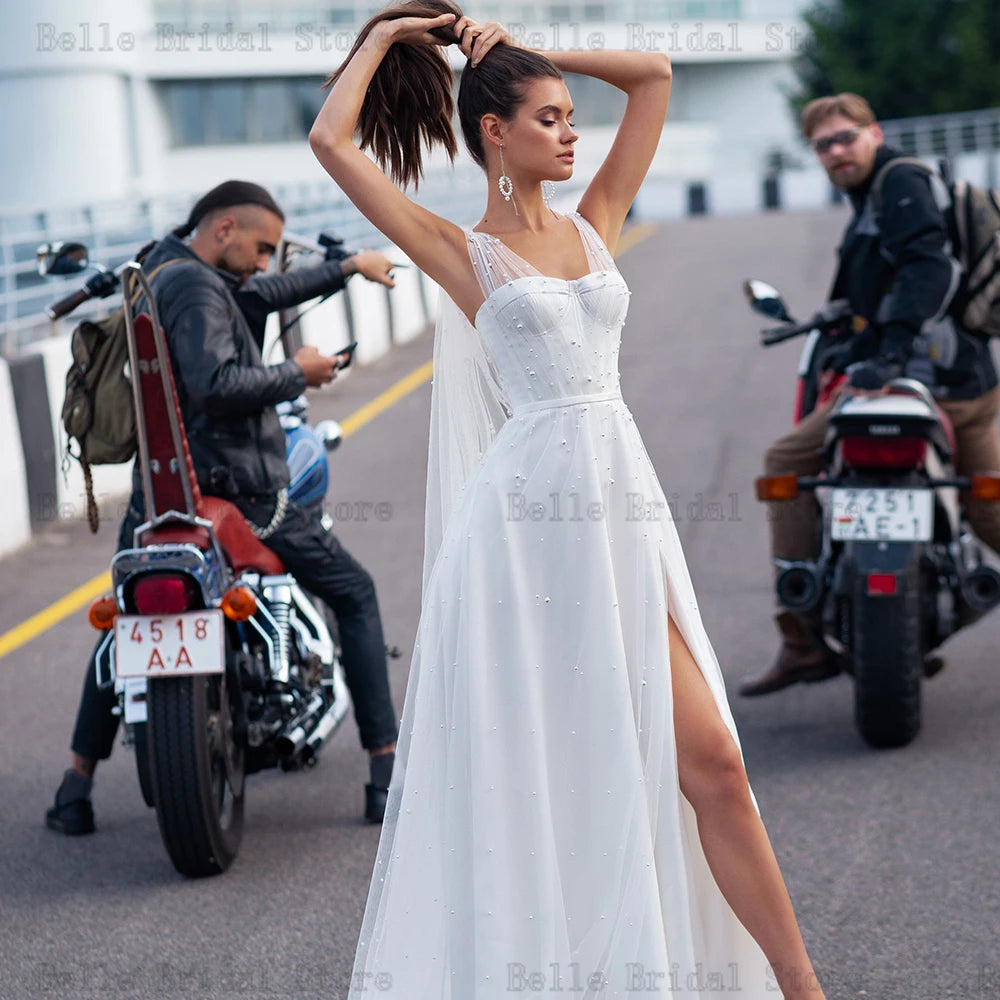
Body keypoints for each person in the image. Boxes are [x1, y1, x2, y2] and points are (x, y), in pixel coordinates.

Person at [309, 4, 826, 996]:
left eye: (565, 115)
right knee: (552, 781)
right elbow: (332, 141)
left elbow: (654, 75)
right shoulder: (462, 254)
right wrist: (382, 39)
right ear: (492, 133)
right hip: (523, 537)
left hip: (621, 512)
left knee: (712, 758)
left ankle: (801, 987)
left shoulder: (596, 224)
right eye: (546, 116)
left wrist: (515, 49)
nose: (568, 128)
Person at [45, 180, 400, 835]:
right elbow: (216, 384)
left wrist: (346, 267)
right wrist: (300, 373)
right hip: (238, 487)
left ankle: (75, 789)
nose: (266, 261)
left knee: (125, 621)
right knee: (355, 592)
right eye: (261, 246)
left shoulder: (164, 267)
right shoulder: (199, 288)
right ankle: (386, 774)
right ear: (225, 228)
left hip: (163, 493)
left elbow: (255, 293)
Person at [740, 93, 1000, 697]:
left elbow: (929, 268)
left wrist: (888, 353)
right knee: (985, 505)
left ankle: (802, 640)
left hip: (922, 381)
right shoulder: (877, 195)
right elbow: (888, 275)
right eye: (823, 144)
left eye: (845, 137)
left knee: (786, 461)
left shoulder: (900, 182)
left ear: (874, 134)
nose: (836, 151)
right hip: (964, 381)